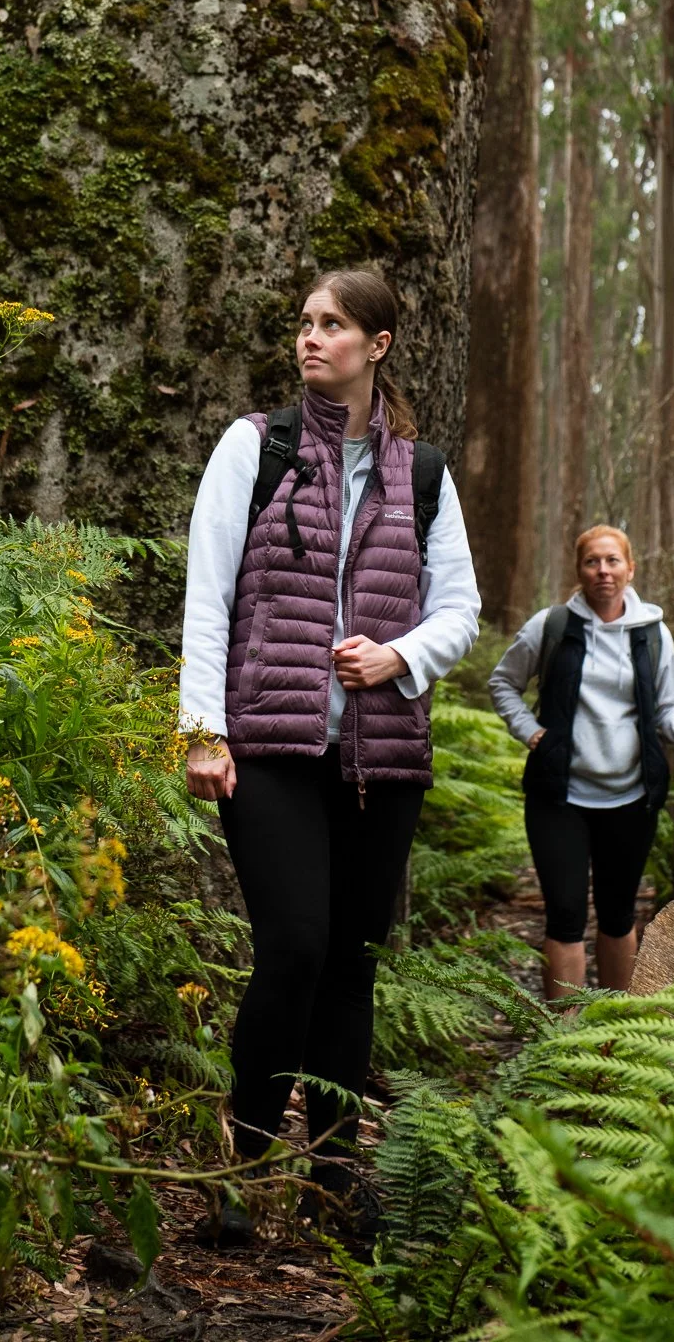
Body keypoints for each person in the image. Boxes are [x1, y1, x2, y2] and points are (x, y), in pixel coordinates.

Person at [180, 269, 480, 1238]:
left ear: (378, 343)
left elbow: (462, 610)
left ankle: (336, 1175)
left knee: (351, 962)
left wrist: (400, 655)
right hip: (267, 743)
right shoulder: (253, 448)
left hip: (381, 756)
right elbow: (208, 596)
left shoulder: (422, 473)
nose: (312, 339)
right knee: (296, 944)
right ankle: (246, 1164)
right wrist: (202, 730)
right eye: (306, 323)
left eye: (334, 324)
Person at [488, 526, 674, 1001]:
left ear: (630, 568)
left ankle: (613, 1035)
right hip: (559, 796)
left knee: (619, 916)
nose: (603, 571)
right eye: (592, 562)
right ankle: (564, 1044)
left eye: (613, 561)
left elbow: (669, 706)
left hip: (630, 797)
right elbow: (503, 684)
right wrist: (531, 732)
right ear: (579, 571)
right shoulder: (552, 626)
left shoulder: (652, 633)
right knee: (565, 916)